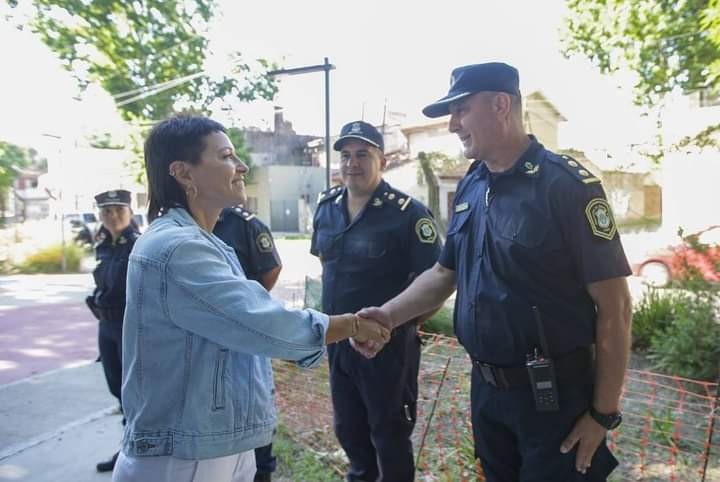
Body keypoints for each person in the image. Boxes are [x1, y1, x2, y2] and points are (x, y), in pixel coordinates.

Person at [358, 63, 632, 481]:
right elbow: (443, 273)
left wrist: (603, 414)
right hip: (487, 392)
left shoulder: (566, 186)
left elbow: (616, 306)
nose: (452, 125)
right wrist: (389, 315)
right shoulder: (472, 184)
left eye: (461, 110)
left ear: (501, 104)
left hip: (555, 398)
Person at [112, 115, 390, 482]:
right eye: (226, 156)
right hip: (183, 454)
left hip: (214, 443)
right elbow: (262, 323)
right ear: (183, 173)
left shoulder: (207, 242)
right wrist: (353, 325)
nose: (241, 166)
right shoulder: (178, 247)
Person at [311, 120, 442, 481]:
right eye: (346, 155)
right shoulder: (326, 207)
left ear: (382, 160)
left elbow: (436, 282)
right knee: (349, 431)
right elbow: (328, 266)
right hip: (339, 341)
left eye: (363, 155)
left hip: (388, 349)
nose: (352, 163)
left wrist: (401, 327)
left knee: (390, 435)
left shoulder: (407, 214)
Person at [213, 205, 282, 482]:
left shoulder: (245, 224)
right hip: (209, 341)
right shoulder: (182, 222)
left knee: (254, 420)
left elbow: (271, 268)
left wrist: (247, 308)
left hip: (245, 339)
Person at [84, 189, 140, 473]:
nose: (112, 216)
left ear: (130, 212)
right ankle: (127, 449)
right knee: (116, 389)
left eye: (118, 210)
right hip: (106, 326)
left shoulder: (137, 245)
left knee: (132, 393)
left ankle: (132, 454)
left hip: (127, 327)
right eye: (106, 211)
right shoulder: (105, 244)